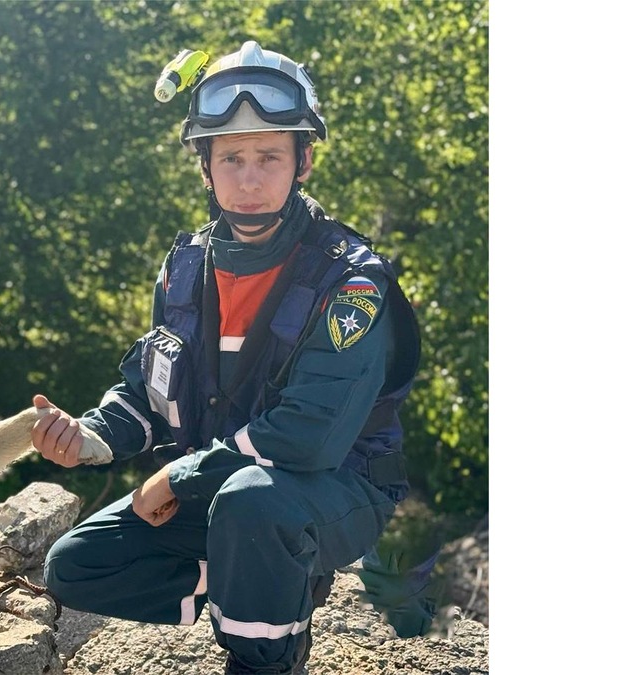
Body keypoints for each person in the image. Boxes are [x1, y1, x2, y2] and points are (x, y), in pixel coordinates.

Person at [31, 40, 423, 675]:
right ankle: (267, 584)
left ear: (304, 162)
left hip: (337, 489)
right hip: (231, 487)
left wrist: (177, 478)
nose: (249, 177)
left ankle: (264, 656)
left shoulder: (349, 281)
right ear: (205, 167)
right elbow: (153, 387)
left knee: (252, 503)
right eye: (231, 157)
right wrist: (92, 437)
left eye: (269, 155)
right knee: (77, 565)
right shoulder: (185, 268)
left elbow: (310, 437)